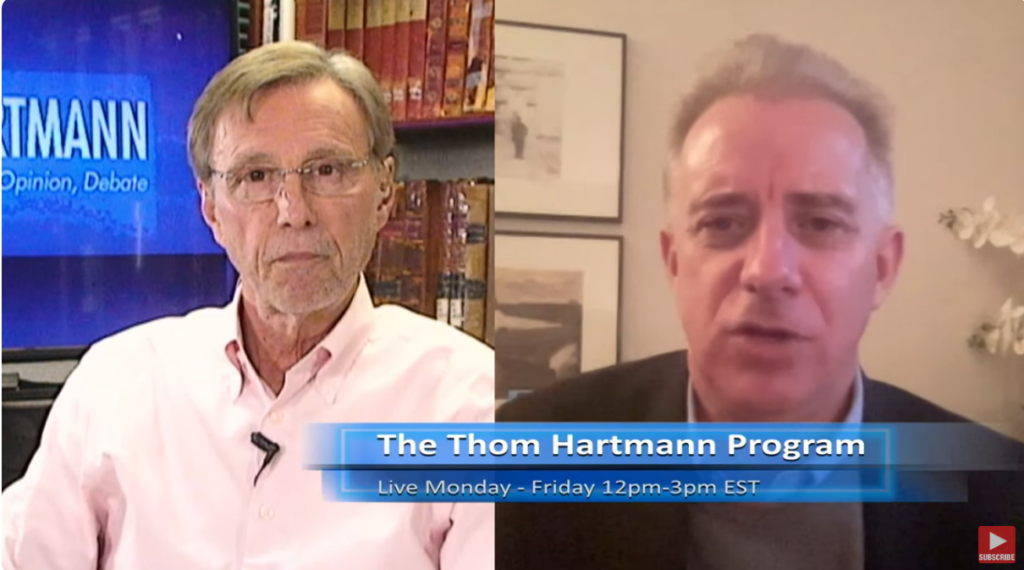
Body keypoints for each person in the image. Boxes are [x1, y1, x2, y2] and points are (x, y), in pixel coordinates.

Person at [495, 34, 1022, 570]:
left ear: (882, 268)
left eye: (821, 223)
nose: (768, 271)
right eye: (722, 223)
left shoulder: (1001, 495)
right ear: (674, 261)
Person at [2, 42, 495, 570]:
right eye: (255, 177)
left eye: (327, 170)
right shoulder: (115, 385)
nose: (293, 211)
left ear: (384, 193)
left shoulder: (473, 405)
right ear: (210, 207)